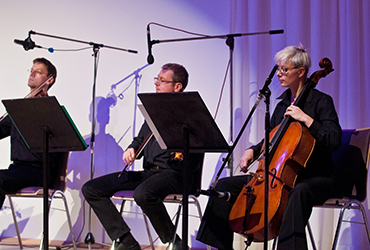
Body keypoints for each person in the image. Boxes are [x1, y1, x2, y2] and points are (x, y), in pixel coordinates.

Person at [196, 45, 341, 250]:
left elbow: (334, 139)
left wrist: (307, 119)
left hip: (315, 177)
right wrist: (253, 151)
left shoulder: (322, 102)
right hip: (279, 176)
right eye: (279, 69)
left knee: (298, 192)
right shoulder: (282, 104)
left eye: (285, 69)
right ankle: (221, 247)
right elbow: (273, 137)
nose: (279, 74)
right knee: (224, 186)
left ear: (301, 72)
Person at [82, 63, 204, 250]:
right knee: (92, 188)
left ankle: (175, 242)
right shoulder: (154, 111)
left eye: (162, 81)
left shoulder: (191, 113)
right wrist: (131, 148)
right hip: (149, 173)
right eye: (157, 79)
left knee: (143, 194)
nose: (156, 84)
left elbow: (196, 151)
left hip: (176, 175)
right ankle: (125, 241)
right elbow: (140, 139)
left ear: (177, 86)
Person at [0, 57, 60, 207]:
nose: (32, 74)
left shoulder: (51, 110)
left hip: (38, 171)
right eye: (31, 71)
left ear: (49, 80)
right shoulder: (19, 109)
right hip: (16, 169)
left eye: (38, 72)